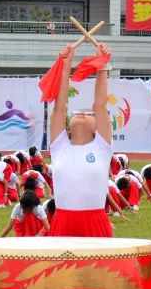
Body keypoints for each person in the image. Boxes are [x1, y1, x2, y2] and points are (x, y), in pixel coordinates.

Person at [46, 41, 115, 237]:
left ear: (97, 128)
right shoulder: (59, 147)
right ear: (68, 126)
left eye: (88, 113)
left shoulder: (101, 148)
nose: (82, 114)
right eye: (77, 113)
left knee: (99, 268)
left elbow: (100, 105)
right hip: (62, 220)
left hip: (95, 221)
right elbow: (60, 107)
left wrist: (101, 66)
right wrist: (66, 65)